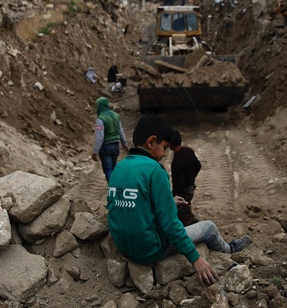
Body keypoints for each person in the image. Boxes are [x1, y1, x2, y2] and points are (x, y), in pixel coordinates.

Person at [106, 116, 252, 286]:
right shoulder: (155, 170)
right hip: (149, 250)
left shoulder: (119, 168)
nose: (164, 154)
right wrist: (195, 259)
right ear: (151, 142)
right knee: (209, 227)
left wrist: (167, 202)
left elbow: (129, 206)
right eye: (164, 148)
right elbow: (169, 224)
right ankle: (230, 250)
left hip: (124, 247)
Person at [92, 97, 129, 182]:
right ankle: (118, 186)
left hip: (106, 148)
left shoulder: (100, 119)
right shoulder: (116, 115)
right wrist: (124, 144)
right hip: (116, 146)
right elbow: (120, 131)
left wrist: (95, 152)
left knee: (108, 170)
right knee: (114, 167)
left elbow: (100, 137)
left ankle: (113, 188)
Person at [169, 130, 201, 226]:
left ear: (170, 144)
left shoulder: (176, 162)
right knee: (187, 205)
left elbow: (178, 184)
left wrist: (176, 196)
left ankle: (190, 223)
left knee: (183, 210)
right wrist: (191, 177)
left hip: (183, 191)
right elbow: (198, 166)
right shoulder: (189, 151)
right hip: (191, 185)